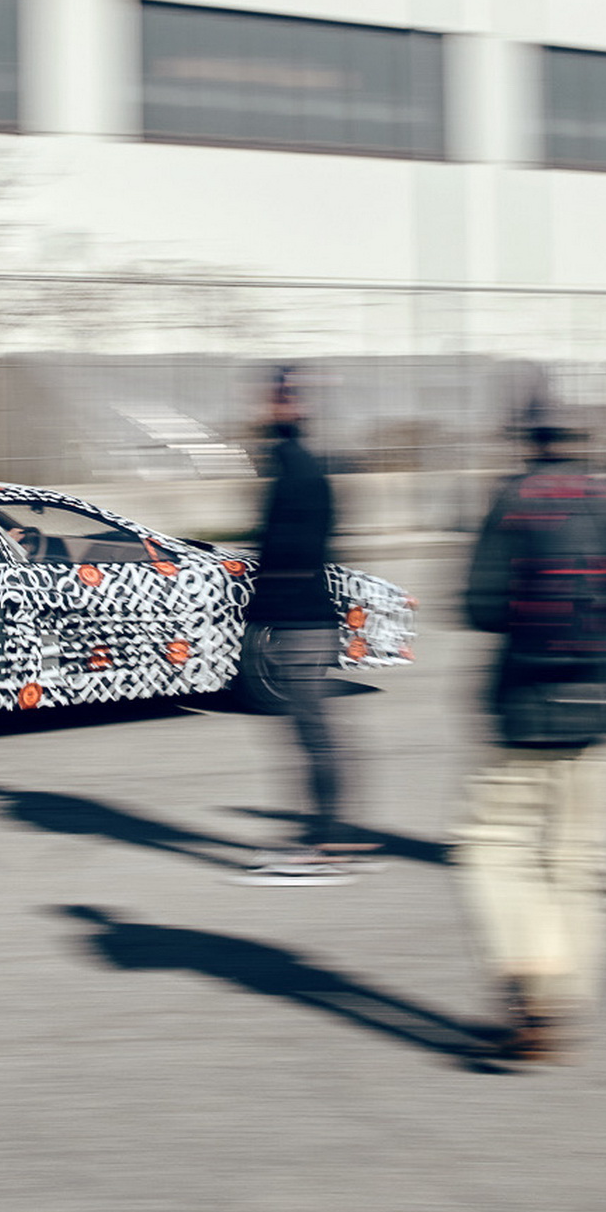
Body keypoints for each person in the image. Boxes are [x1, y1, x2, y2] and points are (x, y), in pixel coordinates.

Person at [456, 408, 606, 1066]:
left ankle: (531, 968)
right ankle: (563, 997)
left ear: (528, 444)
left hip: (526, 707)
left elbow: (480, 604)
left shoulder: (512, 501)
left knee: (492, 843)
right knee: (580, 861)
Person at [236, 371, 363, 885]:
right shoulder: (297, 467)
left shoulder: (298, 471)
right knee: (313, 735)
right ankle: (332, 839)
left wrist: (264, 609)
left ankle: (328, 846)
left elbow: (291, 553)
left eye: (276, 398)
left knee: (315, 736)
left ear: (292, 407)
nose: (261, 408)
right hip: (301, 618)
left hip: (298, 622)